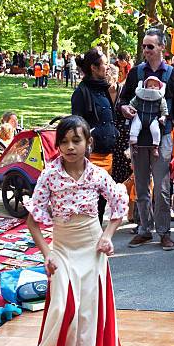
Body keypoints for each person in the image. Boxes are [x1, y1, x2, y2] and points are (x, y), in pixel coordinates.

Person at [24, 115, 128, 346]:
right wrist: (47, 254)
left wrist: (107, 236)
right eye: (64, 142)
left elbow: (119, 203)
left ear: (88, 143)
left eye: (76, 140)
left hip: (91, 249)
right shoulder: (49, 176)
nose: (70, 147)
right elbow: (33, 221)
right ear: (57, 145)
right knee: (62, 308)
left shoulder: (96, 175)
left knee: (87, 315)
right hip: (62, 250)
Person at [119, 28, 174, 251]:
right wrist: (124, 108)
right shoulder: (136, 72)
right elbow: (123, 99)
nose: (145, 50)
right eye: (144, 46)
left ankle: (164, 232)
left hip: (163, 136)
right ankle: (144, 229)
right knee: (140, 185)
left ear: (161, 48)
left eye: (150, 46)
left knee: (162, 187)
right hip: (139, 138)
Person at [70, 48, 119, 223]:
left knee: (103, 198)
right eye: (105, 64)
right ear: (93, 67)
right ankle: (91, 234)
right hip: (93, 156)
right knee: (91, 199)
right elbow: (77, 127)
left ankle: (96, 231)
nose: (108, 67)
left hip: (108, 154)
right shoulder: (81, 93)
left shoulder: (103, 89)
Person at [128, 76, 168, 158]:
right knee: (134, 129)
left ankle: (155, 147)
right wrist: (130, 109)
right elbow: (132, 103)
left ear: (160, 87)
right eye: (150, 85)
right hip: (139, 116)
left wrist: (163, 117)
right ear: (145, 87)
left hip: (153, 118)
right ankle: (134, 146)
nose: (153, 87)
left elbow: (164, 109)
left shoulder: (161, 99)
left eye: (155, 85)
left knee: (156, 131)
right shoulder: (139, 96)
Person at [105, 64, 131, 184]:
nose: (108, 79)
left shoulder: (124, 92)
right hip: (108, 137)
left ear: (117, 77)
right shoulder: (101, 94)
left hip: (124, 136)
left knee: (124, 168)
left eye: (111, 76)